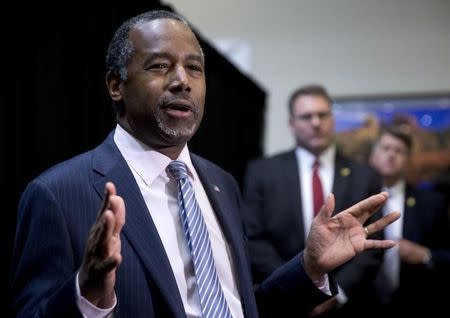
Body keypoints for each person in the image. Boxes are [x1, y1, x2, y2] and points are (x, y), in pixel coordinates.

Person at [9, 10, 399, 318]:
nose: (183, 81)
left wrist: (310, 267)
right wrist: (87, 294)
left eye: (194, 68)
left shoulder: (221, 183)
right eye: (160, 66)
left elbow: (242, 307)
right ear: (116, 85)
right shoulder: (58, 194)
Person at [242, 85, 384, 317]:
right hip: (283, 303)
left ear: (333, 119)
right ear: (291, 124)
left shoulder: (365, 176)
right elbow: (253, 239)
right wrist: (297, 284)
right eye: (306, 116)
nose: (316, 123)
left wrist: (335, 292)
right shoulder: (262, 172)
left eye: (322, 115)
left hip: (348, 305)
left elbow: (373, 242)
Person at [369, 125, 450, 315]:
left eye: (399, 151)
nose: (391, 155)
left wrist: (425, 255)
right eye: (386, 148)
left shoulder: (431, 203)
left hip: (417, 304)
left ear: (408, 160)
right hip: (363, 305)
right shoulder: (355, 200)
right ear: (373, 155)